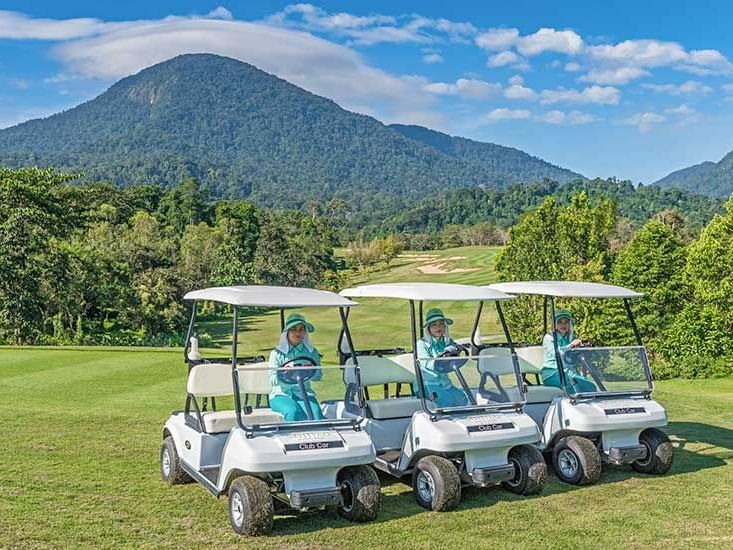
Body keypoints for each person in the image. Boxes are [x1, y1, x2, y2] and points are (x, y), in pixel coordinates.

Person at [268, 313, 324, 421]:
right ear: (287, 332)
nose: (297, 333)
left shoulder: (311, 352)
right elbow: (272, 380)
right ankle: (289, 437)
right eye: (293, 329)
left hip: (304, 393)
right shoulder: (276, 353)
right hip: (281, 395)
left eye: (301, 329)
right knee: (293, 411)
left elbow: (318, 376)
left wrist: (311, 370)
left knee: (316, 415)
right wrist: (283, 373)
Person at [416, 308, 469, 408]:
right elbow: (426, 363)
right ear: (428, 328)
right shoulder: (422, 344)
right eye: (434, 324)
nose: (438, 327)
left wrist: (458, 350)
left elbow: (454, 352)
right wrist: (441, 358)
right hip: (427, 384)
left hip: (444, 383)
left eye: (441, 324)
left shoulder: (447, 341)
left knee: (462, 400)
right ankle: (443, 422)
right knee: (446, 400)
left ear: (445, 326)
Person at [541, 309, 596, 395]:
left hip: (569, 373)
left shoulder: (571, 337)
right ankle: (577, 406)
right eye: (560, 322)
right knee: (574, 387)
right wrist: (571, 346)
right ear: (554, 324)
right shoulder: (549, 338)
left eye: (566, 322)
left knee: (590, 386)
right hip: (552, 373)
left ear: (570, 324)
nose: (563, 325)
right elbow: (558, 354)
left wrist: (583, 348)